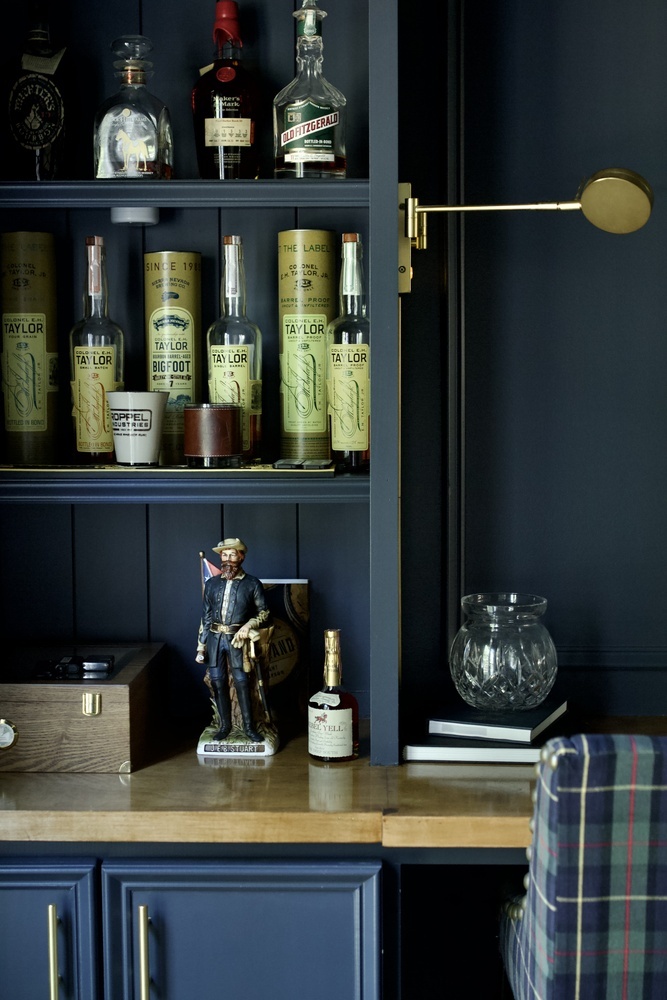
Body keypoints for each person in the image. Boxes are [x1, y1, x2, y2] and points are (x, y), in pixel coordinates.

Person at [196, 538, 270, 742]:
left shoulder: (252, 583)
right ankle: (224, 725)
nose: (228, 559)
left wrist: (248, 625)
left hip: (237, 640)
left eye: (232, 554)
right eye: (224, 555)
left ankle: (248, 727)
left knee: (241, 682)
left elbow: (264, 613)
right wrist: (201, 646)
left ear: (241, 556)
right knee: (218, 681)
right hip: (214, 638)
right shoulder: (211, 584)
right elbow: (206, 617)